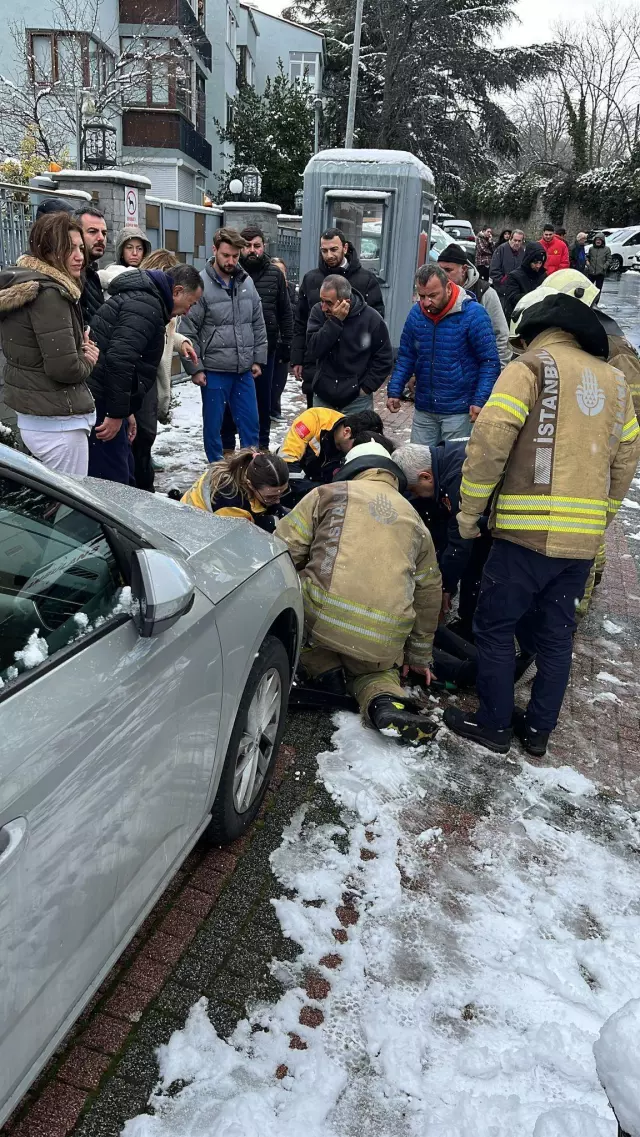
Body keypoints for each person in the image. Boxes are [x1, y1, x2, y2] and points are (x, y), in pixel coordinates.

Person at [443, 289, 640, 757]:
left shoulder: (529, 369)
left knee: (493, 629)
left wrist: (470, 514)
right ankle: (537, 732)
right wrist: (600, 517)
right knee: (555, 637)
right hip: (581, 543)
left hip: (522, 536)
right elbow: (626, 460)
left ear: (533, 333)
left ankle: (492, 724)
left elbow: (488, 445)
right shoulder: (615, 383)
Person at [275, 440, 442, 743]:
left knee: (301, 603)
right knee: (377, 673)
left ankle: (324, 670)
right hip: (384, 637)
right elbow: (429, 591)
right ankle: (383, 701)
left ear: (351, 469)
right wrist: (419, 655)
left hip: (324, 621)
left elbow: (283, 551)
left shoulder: (327, 494)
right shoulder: (415, 520)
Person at [0, 212, 99, 474]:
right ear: (48, 251)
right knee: (68, 508)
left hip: (38, 417)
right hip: (59, 427)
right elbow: (64, 368)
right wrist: (88, 359)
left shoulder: (25, 283)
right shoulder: (50, 294)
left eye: (80, 248)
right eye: (69, 249)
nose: (80, 256)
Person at [88, 263, 203, 484]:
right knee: (113, 481)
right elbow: (120, 360)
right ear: (177, 291)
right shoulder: (146, 305)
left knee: (124, 471)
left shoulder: (148, 301)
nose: (188, 312)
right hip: (102, 402)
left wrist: (126, 412)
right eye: (190, 304)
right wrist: (115, 414)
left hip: (107, 400)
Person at [178, 227, 267, 462]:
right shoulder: (201, 284)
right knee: (214, 428)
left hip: (243, 370)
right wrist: (195, 369)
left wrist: (258, 358)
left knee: (250, 424)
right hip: (214, 371)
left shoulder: (246, 282)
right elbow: (187, 331)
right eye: (226, 255)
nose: (231, 261)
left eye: (235, 256)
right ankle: (216, 471)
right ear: (214, 250)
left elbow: (257, 322)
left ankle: (251, 468)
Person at [387, 264, 501, 445]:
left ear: (448, 288)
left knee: (452, 467)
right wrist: (395, 389)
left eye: (432, 295)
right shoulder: (417, 314)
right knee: (419, 465)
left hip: (459, 410)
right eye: (422, 296)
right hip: (424, 407)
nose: (426, 302)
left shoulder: (474, 314)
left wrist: (480, 399)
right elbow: (407, 355)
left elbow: (489, 362)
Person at [291, 228, 385, 408]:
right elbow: (301, 321)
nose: (329, 255)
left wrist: (368, 383)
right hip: (318, 365)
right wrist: (297, 358)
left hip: (354, 369)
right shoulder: (311, 279)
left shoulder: (365, 280)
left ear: (345, 248)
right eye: (324, 250)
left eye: (334, 249)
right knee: (321, 428)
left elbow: (377, 325)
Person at [220, 227, 293, 452]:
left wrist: (286, 345)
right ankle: (229, 451)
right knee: (230, 405)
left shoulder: (275, 274)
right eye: (248, 246)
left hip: (265, 351)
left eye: (257, 246)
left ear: (264, 247)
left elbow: (285, 312)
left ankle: (261, 447)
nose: (252, 251)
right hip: (232, 350)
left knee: (263, 402)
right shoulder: (230, 273)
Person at [306, 275, 393, 413]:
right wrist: (335, 322)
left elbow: (384, 358)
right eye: (321, 301)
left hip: (356, 401)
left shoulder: (371, 318)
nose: (323, 307)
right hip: (323, 396)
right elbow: (313, 349)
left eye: (328, 303)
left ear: (345, 302)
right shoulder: (318, 312)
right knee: (323, 435)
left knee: (357, 435)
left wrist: (366, 388)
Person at [279, 407, 384, 497]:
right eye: (357, 446)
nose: (358, 451)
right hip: (293, 490)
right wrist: (319, 493)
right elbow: (285, 464)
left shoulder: (359, 440)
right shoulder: (313, 419)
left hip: (328, 494)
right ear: (347, 432)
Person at [437, 243, 511, 368]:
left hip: (476, 372)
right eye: (440, 270)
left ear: (464, 269)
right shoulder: (435, 293)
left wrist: (499, 371)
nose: (443, 276)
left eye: (448, 270)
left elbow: (501, 334)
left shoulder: (485, 293)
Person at [181, 449, 290, 530]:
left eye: (283, 492)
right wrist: (274, 524)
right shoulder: (230, 500)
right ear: (250, 485)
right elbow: (243, 538)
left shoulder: (255, 466)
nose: (278, 500)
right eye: (270, 497)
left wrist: (282, 515)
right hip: (193, 526)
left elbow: (275, 506)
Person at [270, 257, 297, 421]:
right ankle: (268, 410)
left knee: (280, 379)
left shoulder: (292, 289)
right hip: (270, 340)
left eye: (281, 271)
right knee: (268, 380)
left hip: (284, 341)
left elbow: (296, 310)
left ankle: (275, 409)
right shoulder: (267, 287)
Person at [74, 205, 108, 324]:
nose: (100, 238)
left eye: (104, 233)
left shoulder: (92, 275)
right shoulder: (71, 274)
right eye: (92, 232)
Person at [502, 242, 547, 321]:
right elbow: (512, 298)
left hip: (538, 316)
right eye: (535, 263)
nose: (538, 266)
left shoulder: (542, 275)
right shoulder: (514, 276)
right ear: (528, 260)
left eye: (540, 263)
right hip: (518, 317)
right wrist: (535, 295)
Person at [98, 226, 152, 292]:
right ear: (121, 251)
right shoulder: (109, 272)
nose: (135, 253)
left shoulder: (151, 275)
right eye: (129, 247)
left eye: (139, 248)